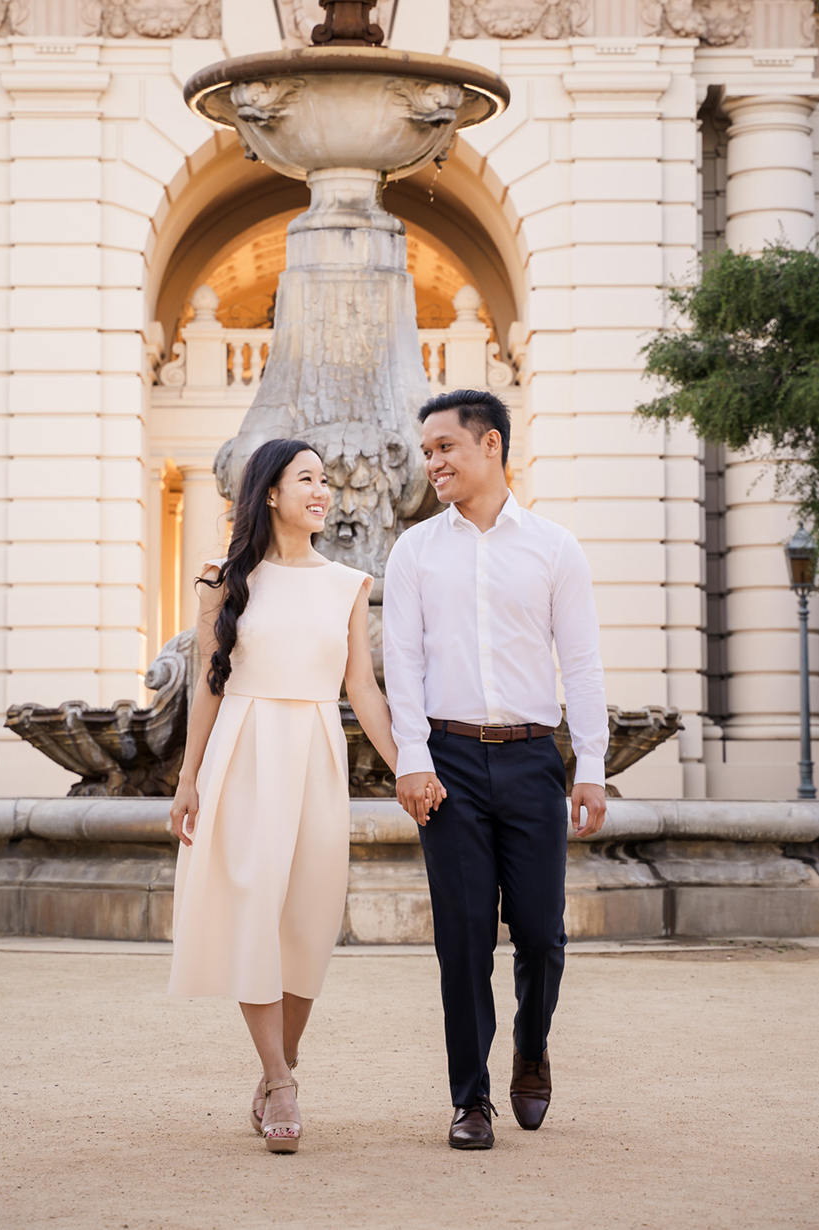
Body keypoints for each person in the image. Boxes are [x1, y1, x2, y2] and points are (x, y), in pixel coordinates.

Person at [167, 438, 411, 1153]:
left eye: (326, 480)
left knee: (308, 919)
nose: (323, 490)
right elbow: (209, 687)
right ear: (269, 493)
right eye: (307, 478)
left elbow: (362, 690)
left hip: (314, 750)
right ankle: (279, 1081)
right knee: (253, 911)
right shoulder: (223, 581)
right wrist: (187, 778)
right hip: (243, 751)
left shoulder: (348, 584)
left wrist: (406, 769)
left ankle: (284, 1061)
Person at [383, 389, 609, 1150]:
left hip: (531, 757)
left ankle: (532, 1046)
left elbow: (580, 663)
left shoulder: (554, 548)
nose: (433, 462)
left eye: (444, 447)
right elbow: (402, 666)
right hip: (446, 761)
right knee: (464, 938)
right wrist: (411, 761)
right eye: (427, 452)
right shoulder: (414, 551)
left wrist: (592, 765)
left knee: (542, 935)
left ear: (491, 447)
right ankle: (470, 1099)